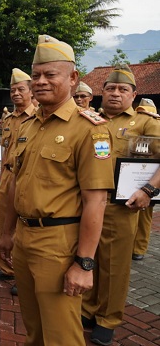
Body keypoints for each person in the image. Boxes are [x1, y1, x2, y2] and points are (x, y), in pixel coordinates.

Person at [0, 35, 114, 346]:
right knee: (34, 330)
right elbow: (14, 183)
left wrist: (84, 263)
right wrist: (7, 233)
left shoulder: (89, 129)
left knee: (62, 335)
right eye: (36, 75)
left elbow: (96, 201)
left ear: (73, 78)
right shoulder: (28, 125)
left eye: (51, 75)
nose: (41, 82)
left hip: (58, 246)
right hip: (24, 239)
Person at [81, 65, 160, 345]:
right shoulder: (88, 120)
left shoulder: (146, 123)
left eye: (122, 89)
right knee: (87, 259)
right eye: (110, 89)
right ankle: (88, 309)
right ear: (101, 93)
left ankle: (108, 318)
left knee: (115, 266)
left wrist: (149, 190)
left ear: (134, 95)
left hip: (121, 207)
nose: (115, 93)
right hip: (86, 205)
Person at [0, 68, 36, 297]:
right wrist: (1, 178)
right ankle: (5, 267)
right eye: (13, 90)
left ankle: (20, 271)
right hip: (7, 175)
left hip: (26, 178)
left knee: (20, 226)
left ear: (31, 91)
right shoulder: (9, 119)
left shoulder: (37, 117)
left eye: (21, 90)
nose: (16, 94)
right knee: (2, 223)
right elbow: (5, 150)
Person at [132, 98, 159, 260]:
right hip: (148, 177)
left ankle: (135, 247)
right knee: (145, 216)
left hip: (136, 176)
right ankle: (139, 249)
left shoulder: (135, 121)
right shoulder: (154, 122)